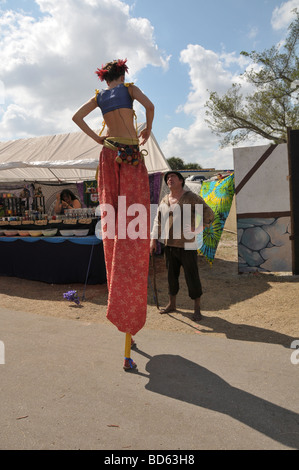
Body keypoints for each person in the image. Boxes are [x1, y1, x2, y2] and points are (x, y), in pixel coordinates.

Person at [72, 59, 154, 371]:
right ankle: (129, 314)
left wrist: (97, 138)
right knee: (132, 229)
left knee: (115, 226)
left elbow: (77, 117)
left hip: (108, 153)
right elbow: (151, 107)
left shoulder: (99, 97)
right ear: (123, 75)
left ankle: (122, 313)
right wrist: (148, 128)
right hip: (131, 155)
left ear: (106, 79)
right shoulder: (131, 90)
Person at [150, 171, 214, 321]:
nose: (169, 179)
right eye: (167, 178)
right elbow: (157, 221)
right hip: (169, 245)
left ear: (181, 181)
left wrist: (198, 228)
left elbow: (208, 213)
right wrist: (153, 239)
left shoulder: (191, 197)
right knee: (171, 276)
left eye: (173, 177)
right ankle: (172, 304)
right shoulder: (164, 200)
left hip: (188, 245)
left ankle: (197, 309)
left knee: (192, 276)